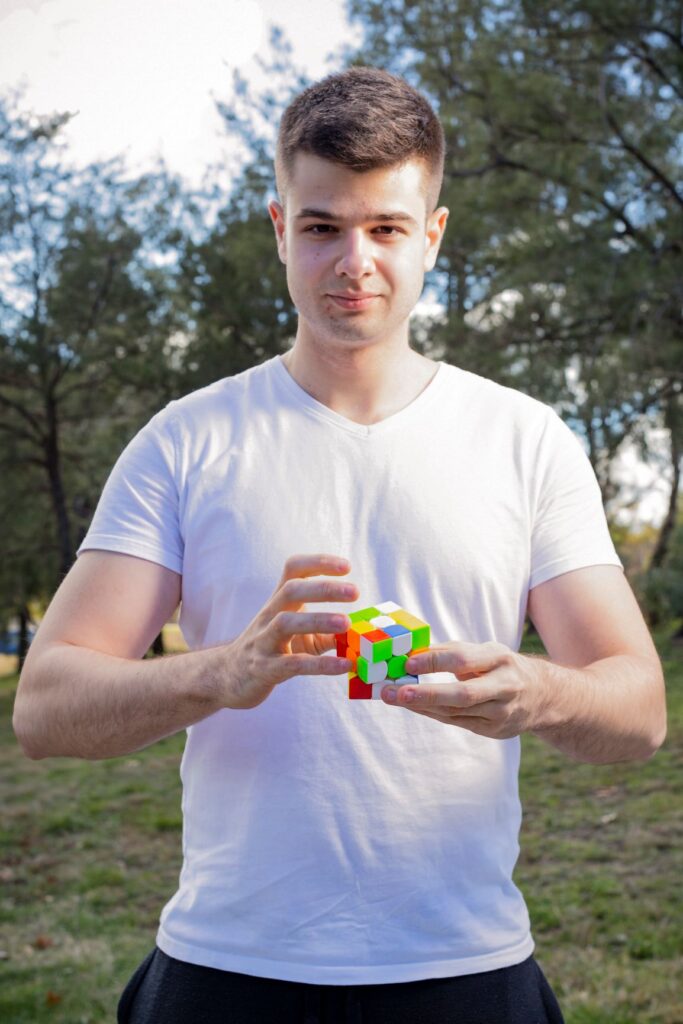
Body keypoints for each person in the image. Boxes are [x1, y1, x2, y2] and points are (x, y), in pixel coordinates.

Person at [13, 67, 666, 1024]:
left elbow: (639, 708)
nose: (353, 260)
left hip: (466, 967)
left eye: (386, 228)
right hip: (226, 969)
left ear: (431, 237)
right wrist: (221, 672)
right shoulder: (186, 440)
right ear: (279, 228)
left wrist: (538, 691)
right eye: (321, 226)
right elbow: (43, 706)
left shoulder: (525, 439)